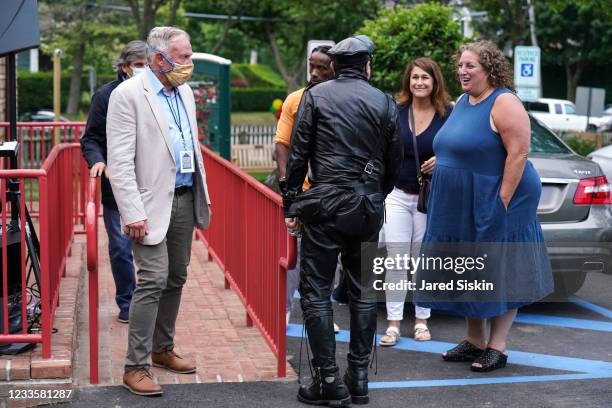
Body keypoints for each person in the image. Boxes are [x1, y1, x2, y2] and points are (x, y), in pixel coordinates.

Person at [414, 41, 553, 372]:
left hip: (501, 198)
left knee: (500, 266)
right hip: (463, 200)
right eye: (460, 65)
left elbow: (518, 154)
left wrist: (501, 202)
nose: (462, 71)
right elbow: (464, 145)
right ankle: (474, 340)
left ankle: (498, 346)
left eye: (470, 66)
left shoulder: (504, 101)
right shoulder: (464, 101)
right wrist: (443, 161)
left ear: (489, 69)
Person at [283, 35, 402, 406]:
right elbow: (394, 161)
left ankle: (328, 379)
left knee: (317, 292)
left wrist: (292, 202)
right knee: (363, 291)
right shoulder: (384, 101)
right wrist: (375, 194)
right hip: (365, 205)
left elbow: (298, 154)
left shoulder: (315, 96)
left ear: (334, 66)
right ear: (367, 66)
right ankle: (359, 377)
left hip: (324, 204)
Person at [106, 26, 211, 396]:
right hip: (146, 205)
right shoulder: (127, 94)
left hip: (183, 196)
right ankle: (135, 366)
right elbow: (118, 161)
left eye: (189, 55)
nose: (189, 63)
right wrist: (131, 211)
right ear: (159, 58)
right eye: (184, 57)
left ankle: (162, 349)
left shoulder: (183, 92)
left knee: (177, 276)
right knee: (152, 279)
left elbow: (188, 147)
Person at [378, 57, 452, 347]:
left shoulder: (447, 115)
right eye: (415, 77)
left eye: (425, 78)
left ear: (435, 82)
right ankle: (394, 324)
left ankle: (422, 321)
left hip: (428, 198)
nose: (419, 82)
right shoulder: (396, 112)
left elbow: (458, 150)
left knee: (423, 261)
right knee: (396, 260)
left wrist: (443, 161)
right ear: (408, 82)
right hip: (396, 195)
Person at [80, 40, 147, 324]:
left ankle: (149, 302)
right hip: (115, 184)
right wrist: (97, 160)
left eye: (147, 65)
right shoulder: (105, 96)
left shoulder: (155, 95)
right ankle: (127, 302)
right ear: (124, 67)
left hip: (149, 182)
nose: (143, 71)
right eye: (138, 66)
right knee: (121, 245)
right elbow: (91, 137)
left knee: (152, 246)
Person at [274, 45, 334, 326]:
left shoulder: (341, 100)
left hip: (335, 193)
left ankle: (324, 315)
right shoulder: (295, 100)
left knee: (332, 259)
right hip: (304, 192)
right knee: (295, 255)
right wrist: (288, 185)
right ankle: (285, 311)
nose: (314, 72)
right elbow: (282, 143)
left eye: (322, 67)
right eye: (313, 65)